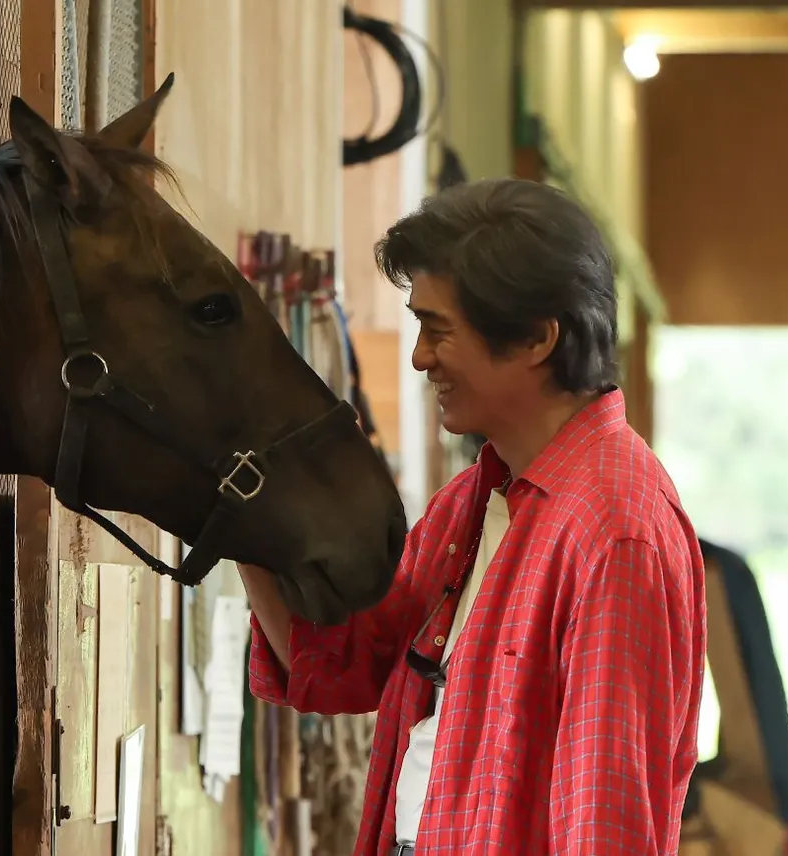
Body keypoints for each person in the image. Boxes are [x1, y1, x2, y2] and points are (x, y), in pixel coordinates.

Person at [239, 178, 707, 855]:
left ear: (536, 339)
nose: (419, 356)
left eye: (438, 329)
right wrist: (241, 527)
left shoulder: (616, 532)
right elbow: (338, 666)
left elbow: (606, 830)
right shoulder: (469, 504)